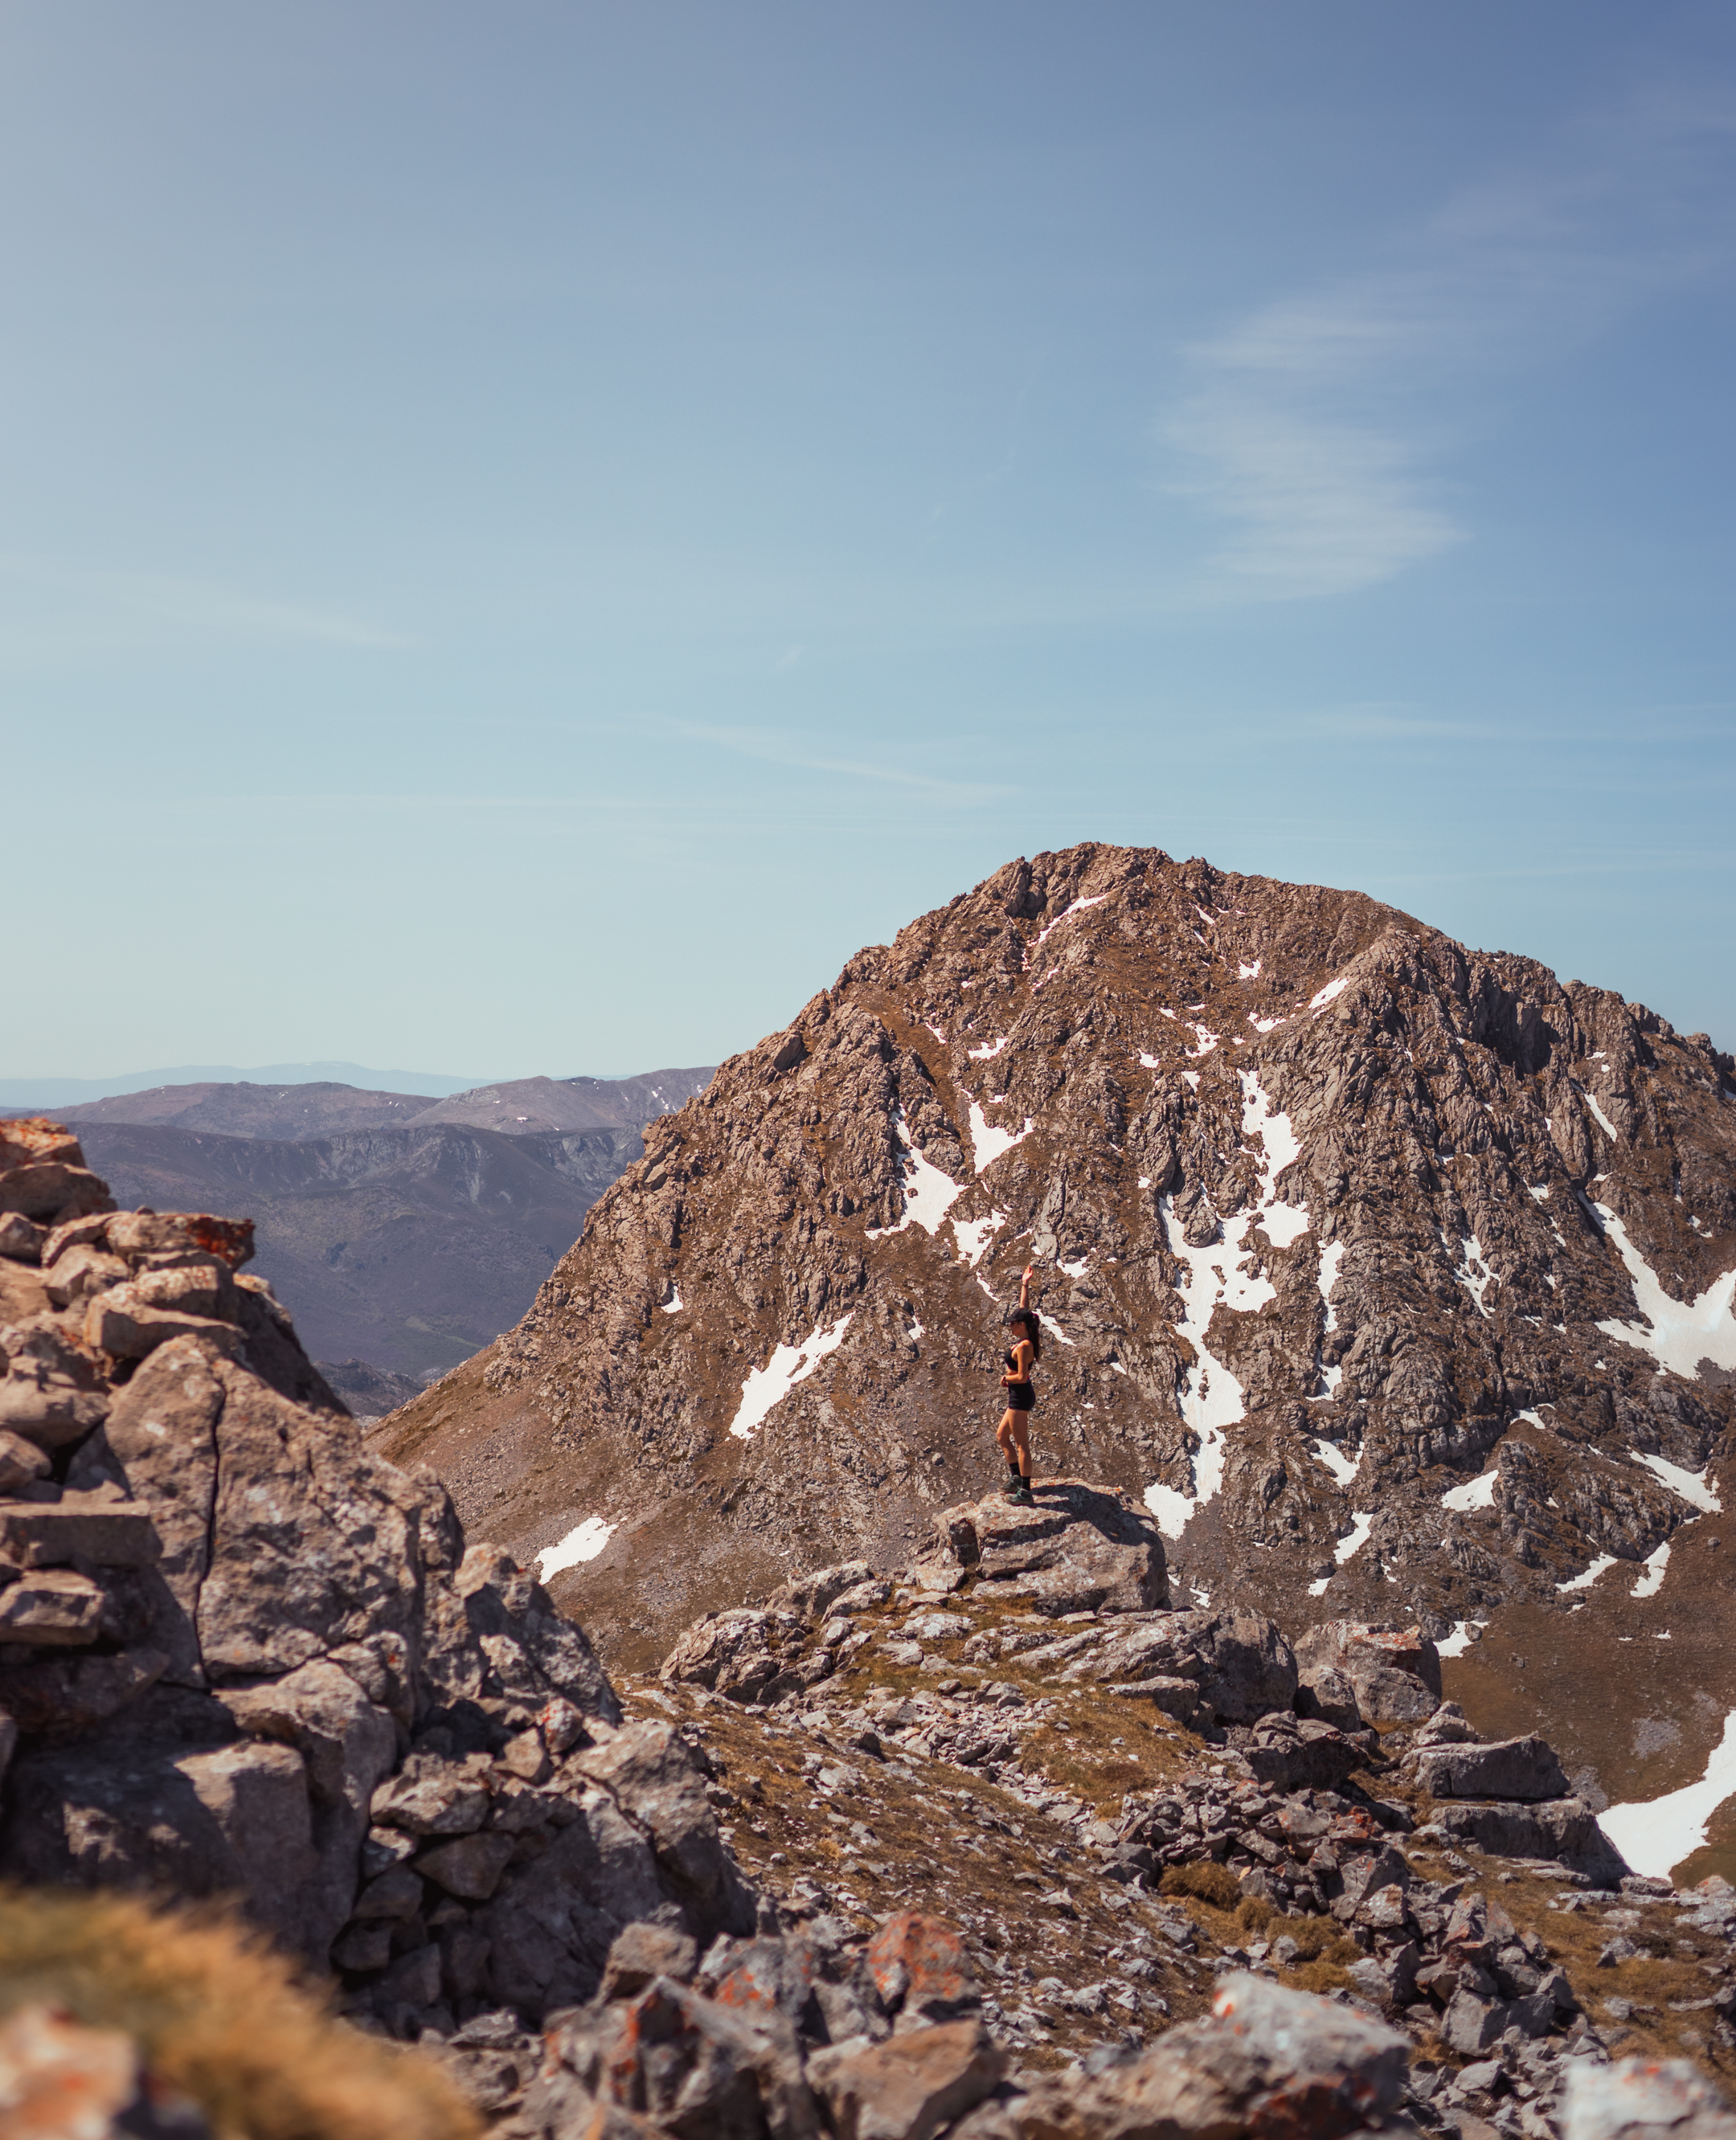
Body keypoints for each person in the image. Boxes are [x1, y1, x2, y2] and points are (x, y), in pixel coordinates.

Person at [997, 1263, 1042, 1504]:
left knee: (1021, 1443)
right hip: (1017, 1394)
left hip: (1020, 1395)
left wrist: (1006, 1379)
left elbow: (1023, 1376)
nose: (1010, 1325)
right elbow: (1024, 1310)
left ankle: (1025, 1491)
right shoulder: (1025, 1333)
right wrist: (1024, 1284)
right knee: (1002, 1436)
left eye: (1013, 1323)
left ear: (1022, 1326)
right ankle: (1016, 1478)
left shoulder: (1024, 1346)